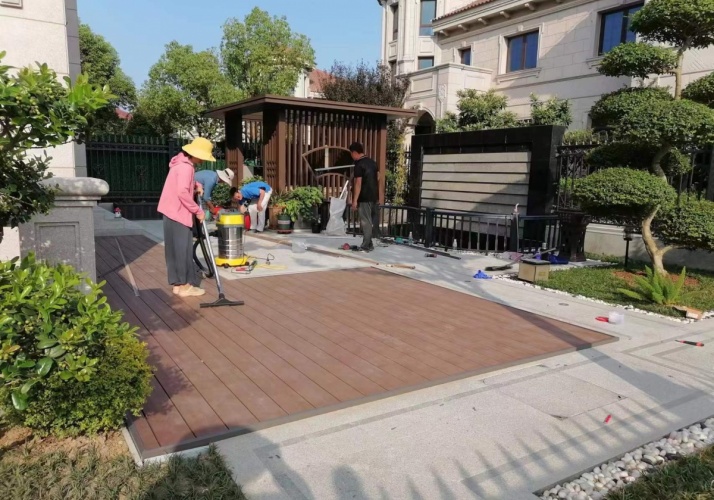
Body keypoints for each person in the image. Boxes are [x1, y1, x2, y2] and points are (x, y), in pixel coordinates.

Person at [157, 137, 215, 297]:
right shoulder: (186, 168)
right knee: (183, 250)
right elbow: (182, 192)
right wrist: (197, 211)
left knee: (174, 250)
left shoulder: (179, 163)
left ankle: (177, 284)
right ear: (196, 154)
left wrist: (197, 185)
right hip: (179, 212)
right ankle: (185, 286)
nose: (203, 160)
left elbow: (184, 183)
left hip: (169, 211)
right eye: (203, 157)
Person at [350, 142, 380, 252]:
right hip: (374, 196)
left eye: (351, 153)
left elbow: (358, 183)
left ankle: (365, 245)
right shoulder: (373, 162)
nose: (351, 156)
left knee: (365, 221)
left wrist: (354, 200)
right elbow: (378, 177)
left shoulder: (359, 165)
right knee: (369, 220)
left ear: (354, 152)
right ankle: (369, 243)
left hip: (364, 197)